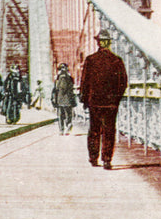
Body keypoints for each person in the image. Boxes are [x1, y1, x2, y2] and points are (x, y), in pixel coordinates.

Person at [80, 29, 128, 170]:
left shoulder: (90, 60)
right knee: (109, 131)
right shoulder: (117, 60)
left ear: (98, 43)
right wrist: (116, 99)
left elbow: (84, 82)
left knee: (94, 130)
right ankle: (107, 159)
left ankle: (93, 158)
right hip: (111, 103)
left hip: (94, 102)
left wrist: (84, 100)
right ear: (109, 43)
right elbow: (123, 83)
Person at [51, 63, 76, 135]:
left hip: (62, 98)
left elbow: (56, 89)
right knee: (65, 114)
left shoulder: (59, 78)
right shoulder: (66, 77)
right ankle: (67, 126)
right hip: (64, 98)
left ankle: (63, 129)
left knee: (62, 114)